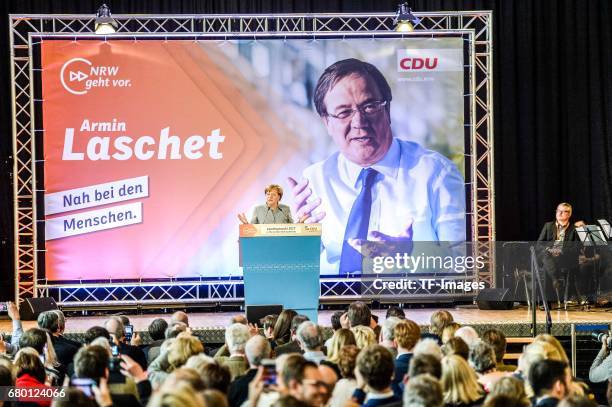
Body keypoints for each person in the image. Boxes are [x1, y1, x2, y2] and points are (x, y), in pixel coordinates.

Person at [288, 58, 465, 274]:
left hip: (414, 304)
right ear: (327, 122)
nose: (359, 122)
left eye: (369, 106)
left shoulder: (435, 174)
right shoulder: (314, 181)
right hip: (334, 305)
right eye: (344, 112)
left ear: (387, 109)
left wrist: (413, 256)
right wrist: (296, 237)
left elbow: (465, 261)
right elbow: (298, 269)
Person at [537, 203, 580, 304]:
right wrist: (550, 250)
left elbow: (576, 248)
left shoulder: (575, 229)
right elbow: (539, 244)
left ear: (569, 214)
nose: (560, 213)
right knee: (546, 256)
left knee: (546, 266)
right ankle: (555, 279)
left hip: (565, 258)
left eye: (563, 211)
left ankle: (547, 302)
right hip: (549, 255)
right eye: (558, 210)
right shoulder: (548, 226)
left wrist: (561, 251)